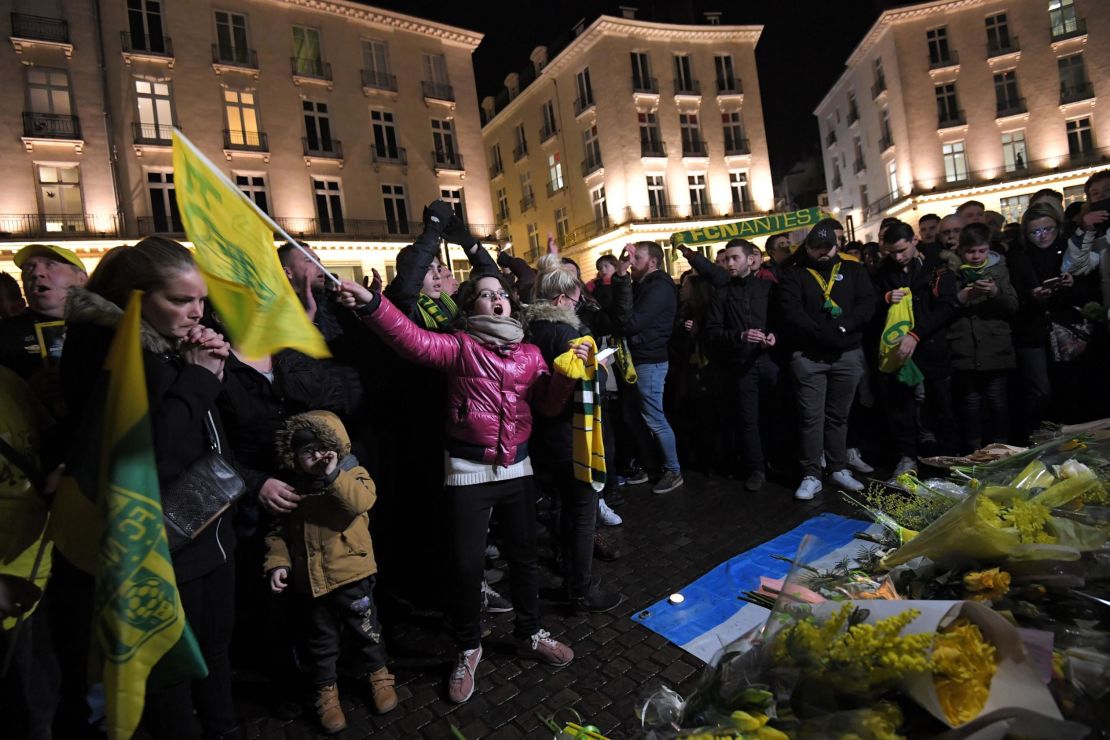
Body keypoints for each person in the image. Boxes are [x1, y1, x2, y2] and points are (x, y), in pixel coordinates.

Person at [337, 271, 580, 704]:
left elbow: (547, 405)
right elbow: (411, 339)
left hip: (517, 468)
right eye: (485, 295)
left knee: (524, 559)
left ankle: (529, 632)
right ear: (471, 308)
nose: (497, 300)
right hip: (468, 470)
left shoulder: (529, 353)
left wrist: (565, 375)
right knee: (467, 565)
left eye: (502, 293)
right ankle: (469, 645)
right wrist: (372, 304)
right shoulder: (460, 347)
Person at [62, 237, 238, 739]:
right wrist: (200, 378)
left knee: (215, 650)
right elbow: (149, 454)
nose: (196, 312)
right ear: (134, 297)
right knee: (170, 670)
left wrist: (211, 368)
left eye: (200, 300)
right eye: (181, 300)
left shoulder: (165, 343)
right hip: (159, 542)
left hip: (207, 529)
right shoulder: (111, 351)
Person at [265, 410, 397, 733]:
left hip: (353, 574)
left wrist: (334, 473)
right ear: (294, 456)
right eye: (307, 452)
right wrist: (277, 563)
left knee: (366, 630)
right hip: (311, 583)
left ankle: (379, 675)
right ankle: (326, 692)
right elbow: (278, 532)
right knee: (320, 642)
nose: (316, 456)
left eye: (323, 448)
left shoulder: (352, 474)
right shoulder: (291, 488)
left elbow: (361, 502)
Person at [525, 255, 623, 613]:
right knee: (582, 511)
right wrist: (597, 366)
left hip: (544, 438)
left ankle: (569, 571)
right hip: (571, 436)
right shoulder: (567, 333)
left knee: (561, 507)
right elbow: (584, 382)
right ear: (561, 299)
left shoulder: (532, 328)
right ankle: (580, 589)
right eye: (572, 296)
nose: (576, 301)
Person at [777, 218, 875, 501]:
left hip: (847, 354)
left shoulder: (854, 270)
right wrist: (824, 334)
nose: (824, 253)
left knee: (839, 416)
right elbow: (791, 312)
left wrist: (843, 328)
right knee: (811, 418)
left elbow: (866, 304)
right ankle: (811, 474)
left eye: (828, 247)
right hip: (809, 358)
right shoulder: (794, 275)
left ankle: (837, 467)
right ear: (807, 248)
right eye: (817, 248)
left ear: (837, 246)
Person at [875, 221, 959, 474]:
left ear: (914, 241)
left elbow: (946, 307)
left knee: (941, 404)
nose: (898, 257)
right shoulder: (883, 272)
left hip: (931, 347)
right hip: (898, 350)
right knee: (902, 407)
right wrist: (885, 299)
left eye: (902, 250)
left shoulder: (936, 267)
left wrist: (916, 334)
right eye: (892, 252)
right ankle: (907, 456)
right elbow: (869, 303)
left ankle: (948, 457)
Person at [703, 239, 777, 491]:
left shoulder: (767, 288)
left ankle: (778, 460)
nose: (730, 263)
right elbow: (712, 331)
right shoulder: (721, 293)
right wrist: (739, 336)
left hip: (769, 361)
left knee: (777, 412)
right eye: (727, 259)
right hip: (740, 364)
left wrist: (774, 336)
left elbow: (782, 320)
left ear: (750, 259)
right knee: (748, 418)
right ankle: (756, 468)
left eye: (735, 258)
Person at [947, 224, 1018, 452]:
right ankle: (973, 451)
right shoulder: (952, 272)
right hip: (965, 349)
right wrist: (962, 296)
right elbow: (944, 309)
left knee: (998, 402)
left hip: (995, 348)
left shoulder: (999, 271)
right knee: (971, 403)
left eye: (981, 251)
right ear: (961, 251)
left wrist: (995, 293)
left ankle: (1001, 449)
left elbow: (1013, 305)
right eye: (970, 252)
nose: (976, 256)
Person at [622, 242, 683, 494]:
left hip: (650, 359)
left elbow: (633, 322)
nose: (631, 261)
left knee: (654, 418)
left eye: (637, 257)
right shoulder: (643, 285)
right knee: (635, 415)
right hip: (639, 357)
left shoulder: (658, 287)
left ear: (653, 262)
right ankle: (652, 464)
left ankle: (673, 470)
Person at [0, 244, 88, 417]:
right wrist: (24, 393)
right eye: (29, 267)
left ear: (82, 278)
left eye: (50, 264)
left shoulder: (108, 327)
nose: (36, 273)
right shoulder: (4, 334)